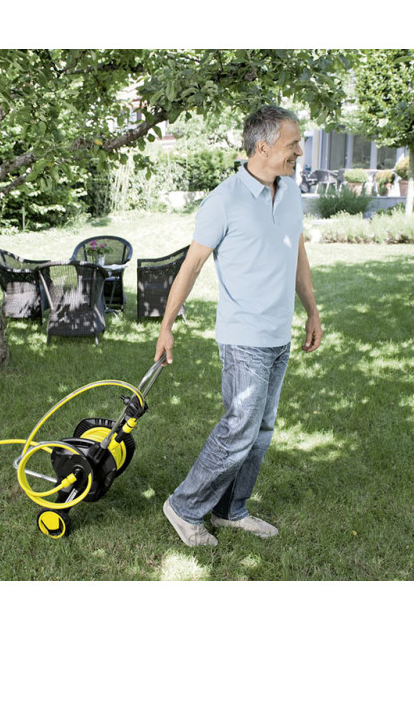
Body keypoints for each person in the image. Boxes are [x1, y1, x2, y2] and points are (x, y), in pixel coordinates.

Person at [154, 105, 322, 547]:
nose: (299, 152)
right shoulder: (223, 201)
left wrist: (312, 310)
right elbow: (191, 267)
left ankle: (231, 510)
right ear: (262, 148)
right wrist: (166, 326)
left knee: (261, 431)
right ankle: (185, 507)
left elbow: (297, 254)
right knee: (239, 428)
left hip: (278, 335)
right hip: (243, 337)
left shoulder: (290, 193)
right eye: (292, 144)